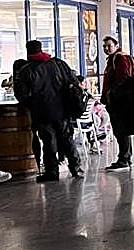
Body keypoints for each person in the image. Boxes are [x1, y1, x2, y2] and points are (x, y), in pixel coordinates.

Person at [13, 40, 82, 183]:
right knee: (67, 139)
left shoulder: (26, 70)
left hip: (42, 112)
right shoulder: (58, 64)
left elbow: (21, 95)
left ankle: (52, 172)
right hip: (62, 110)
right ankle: (76, 167)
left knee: (49, 141)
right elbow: (73, 82)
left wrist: (32, 104)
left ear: (28, 51)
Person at [101, 36, 134, 170]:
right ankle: (125, 157)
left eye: (109, 46)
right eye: (104, 46)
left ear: (116, 46)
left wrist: (113, 94)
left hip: (119, 102)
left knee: (121, 129)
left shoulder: (120, 58)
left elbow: (123, 78)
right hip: (115, 101)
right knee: (121, 130)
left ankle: (124, 158)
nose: (106, 48)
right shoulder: (112, 60)